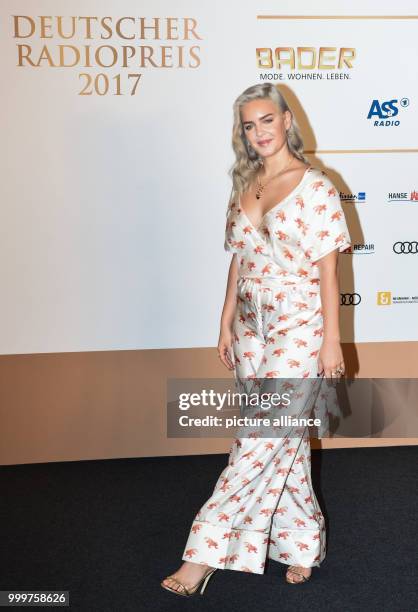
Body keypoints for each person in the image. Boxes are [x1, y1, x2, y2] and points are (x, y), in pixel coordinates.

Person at [161, 83, 351, 596]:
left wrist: (331, 341)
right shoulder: (243, 184)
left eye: (267, 120)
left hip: (299, 323)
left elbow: (329, 273)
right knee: (281, 441)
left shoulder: (317, 187)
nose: (259, 132)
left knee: (258, 440)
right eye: (249, 124)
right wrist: (225, 321)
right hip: (249, 325)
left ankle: (199, 557)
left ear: (288, 121)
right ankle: (300, 543)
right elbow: (239, 260)